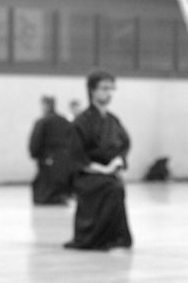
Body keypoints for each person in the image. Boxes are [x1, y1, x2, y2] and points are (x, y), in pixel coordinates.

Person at [64, 71, 132, 250]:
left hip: (109, 172)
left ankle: (116, 236)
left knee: (115, 185)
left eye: (111, 89)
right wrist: (103, 169)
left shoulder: (113, 120)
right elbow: (76, 156)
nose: (109, 93)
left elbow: (124, 144)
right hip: (86, 175)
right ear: (92, 91)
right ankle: (93, 237)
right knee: (112, 186)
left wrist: (118, 162)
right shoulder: (81, 122)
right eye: (104, 88)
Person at [29, 96, 74, 205]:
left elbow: (35, 142)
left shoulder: (42, 122)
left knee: (44, 190)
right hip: (64, 160)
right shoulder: (65, 121)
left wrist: (37, 155)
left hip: (48, 160)